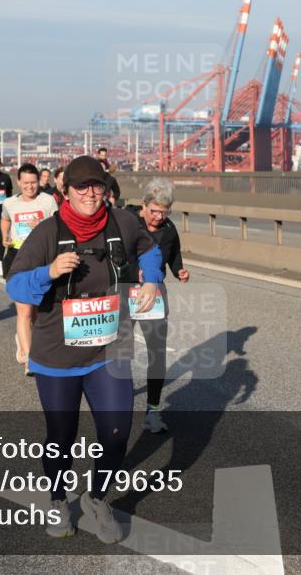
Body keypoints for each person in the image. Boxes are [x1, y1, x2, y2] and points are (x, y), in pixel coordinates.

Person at [5, 155, 163, 542]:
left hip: (108, 350)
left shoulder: (123, 221)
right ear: (66, 192)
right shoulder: (46, 233)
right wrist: (50, 272)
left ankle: (97, 498)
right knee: (62, 437)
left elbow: (149, 249)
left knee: (115, 434)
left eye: (98, 186)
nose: (91, 194)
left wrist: (152, 280)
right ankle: (59, 499)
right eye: (82, 187)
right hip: (57, 356)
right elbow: (15, 286)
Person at [128, 179, 190, 434]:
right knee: (119, 349)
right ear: (144, 206)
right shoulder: (127, 222)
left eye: (164, 212)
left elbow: (174, 255)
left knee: (157, 353)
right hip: (126, 291)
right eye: (154, 211)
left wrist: (179, 271)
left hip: (154, 296)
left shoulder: (169, 229)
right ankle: (116, 399)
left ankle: (153, 411)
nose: (158, 217)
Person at [0, 163, 58, 373]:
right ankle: (28, 359)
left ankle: (24, 340)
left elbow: (58, 226)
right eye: (26, 183)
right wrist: (5, 236)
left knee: (37, 313)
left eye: (33, 182)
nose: (30, 187)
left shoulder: (47, 201)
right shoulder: (10, 203)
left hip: (42, 259)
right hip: (18, 258)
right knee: (24, 311)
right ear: (18, 182)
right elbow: (5, 220)